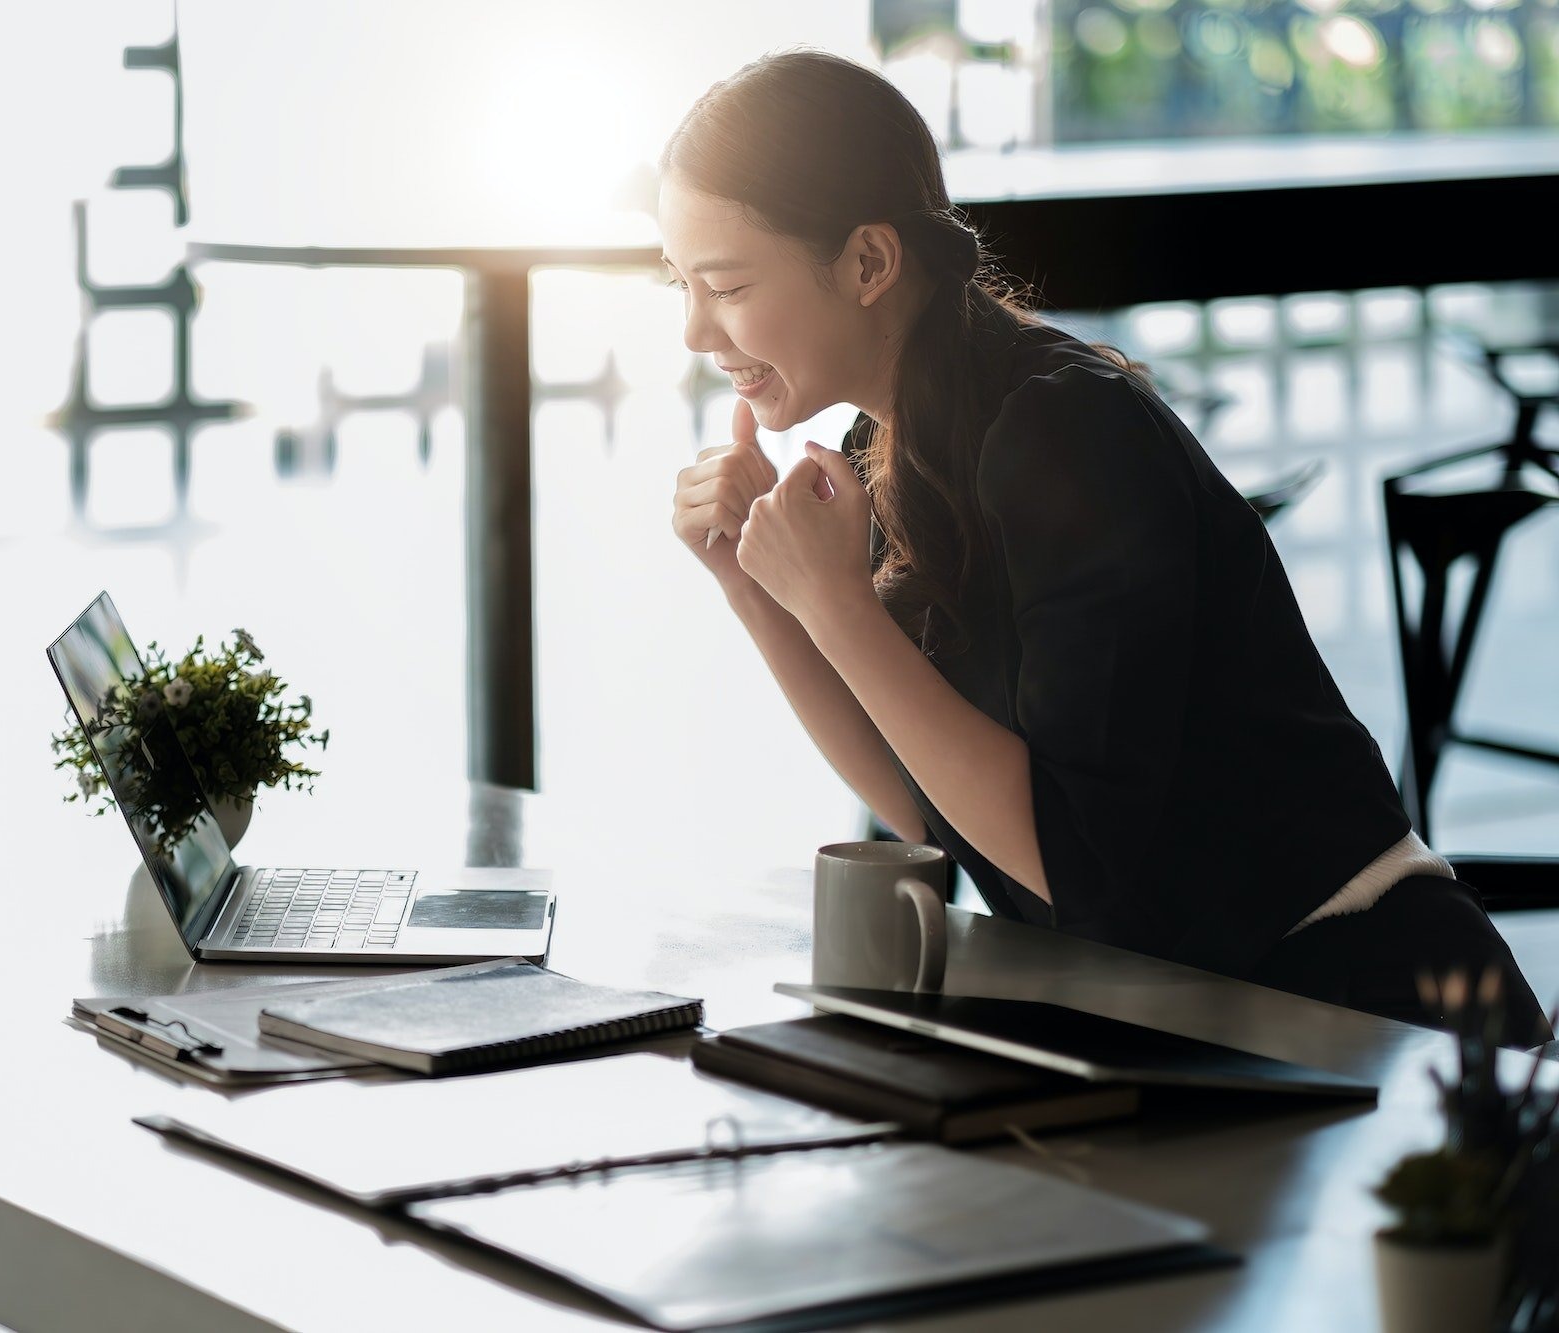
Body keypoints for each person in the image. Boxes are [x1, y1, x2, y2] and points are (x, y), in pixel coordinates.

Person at [660, 49, 1552, 1049]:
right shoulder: (895, 442)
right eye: (679, 285)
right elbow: (928, 807)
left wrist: (834, 605)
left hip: (1367, 999)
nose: (695, 329)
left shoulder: (1065, 428)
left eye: (724, 284)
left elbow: (1066, 859)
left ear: (867, 262)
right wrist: (751, 588)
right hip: (1201, 1009)